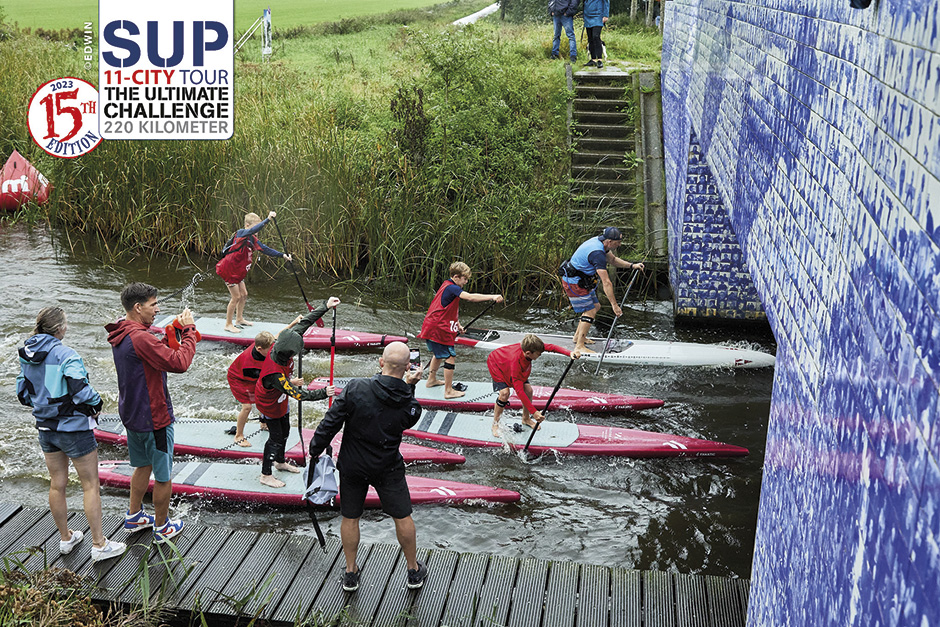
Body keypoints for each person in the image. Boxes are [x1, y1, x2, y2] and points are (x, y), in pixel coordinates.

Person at [308, 341, 427, 593]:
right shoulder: (410, 403)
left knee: (350, 517)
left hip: (353, 465)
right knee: (402, 516)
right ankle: (413, 571)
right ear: (408, 367)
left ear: (381, 362)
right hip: (388, 466)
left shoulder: (355, 388)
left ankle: (351, 573)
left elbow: (331, 422)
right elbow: (408, 418)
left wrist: (315, 449)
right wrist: (410, 386)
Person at [17, 307, 127, 562]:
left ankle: (66, 538)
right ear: (60, 329)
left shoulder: (27, 354)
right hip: (74, 429)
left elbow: (23, 393)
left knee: (57, 483)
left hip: (46, 428)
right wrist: (97, 404)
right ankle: (99, 544)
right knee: (90, 485)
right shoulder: (67, 354)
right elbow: (80, 389)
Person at [106, 283, 197, 543]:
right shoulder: (141, 338)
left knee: (142, 465)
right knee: (164, 476)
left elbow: (152, 354)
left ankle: (134, 516)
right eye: (153, 305)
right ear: (138, 307)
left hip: (133, 414)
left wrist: (172, 334)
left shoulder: (122, 330)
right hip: (155, 417)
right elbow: (179, 363)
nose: (157, 309)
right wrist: (189, 331)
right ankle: (162, 527)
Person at [254, 299, 338, 488]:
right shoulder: (275, 374)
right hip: (269, 403)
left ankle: (280, 462)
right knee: (275, 438)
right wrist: (323, 393)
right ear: (288, 353)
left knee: (285, 432)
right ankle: (265, 474)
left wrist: (326, 306)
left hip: (280, 399)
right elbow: (298, 394)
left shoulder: (284, 340)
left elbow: (305, 321)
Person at [418, 261, 503, 400]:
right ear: (456, 277)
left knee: (439, 354)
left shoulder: (446, 285)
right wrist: (492, 296)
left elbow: (445, 308)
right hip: (438, 328)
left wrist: (457, 324)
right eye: (465, 279)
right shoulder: (452, 288)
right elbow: (470, 297)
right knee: (450, 356)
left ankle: (431, 380)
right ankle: (448, 391)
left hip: (433, 326)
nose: (466, 282)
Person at [559, 227, 644, 353]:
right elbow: (606, 282)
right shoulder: (597, 253)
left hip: (583, 280)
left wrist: (632, 266)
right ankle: (579, 346)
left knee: (595, 306)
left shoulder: (602, 243)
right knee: (590, 311)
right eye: (618, 242)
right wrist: (614, 305)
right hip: (573, 282)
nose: (620, 245)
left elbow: (613, 260)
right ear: (609, 241)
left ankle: (578, 337)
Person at [487, 334, 581, 437]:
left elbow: (552, 347)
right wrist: (534, 412)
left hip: (508, 361)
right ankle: (495, 424)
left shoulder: (533, 347)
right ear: (528, 353)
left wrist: (570, 353)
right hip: (496, 363)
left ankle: (526, 418)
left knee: (529, 391)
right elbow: (519, 392)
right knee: (504, 394)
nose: (540, 354)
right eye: (539, 354)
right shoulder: (516, 364)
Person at [216, 210, 292, 334]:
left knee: (244, 294)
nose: (257, 230)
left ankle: (239, 319)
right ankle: (228, 324)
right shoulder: (241, 233)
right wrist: (267, 219)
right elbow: (253, 230)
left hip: (238, 271)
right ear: (247, 225)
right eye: (255, 227)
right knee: (236, 297)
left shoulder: (252, 239)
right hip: (228, 269)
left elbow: (265, 249)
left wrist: (282, 255)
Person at [226, 331, 276, 447]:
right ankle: (238, 435)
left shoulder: (264, 345)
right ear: (259, 349)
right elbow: (265, 378)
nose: (272, 351)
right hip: (238, 378)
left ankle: (263, 423)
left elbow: (278, 335)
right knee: (247, 407)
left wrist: (293, 323)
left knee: (263, 396)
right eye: (269, 350)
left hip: (250, 376)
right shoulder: (249, 362)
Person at [583, 0, 609, 68]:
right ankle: (593, 60)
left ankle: (600, 60)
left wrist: (606, 15)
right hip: (587, 16)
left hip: (598, 16)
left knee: (596, 37)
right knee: (590, 38)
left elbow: (606, 1)